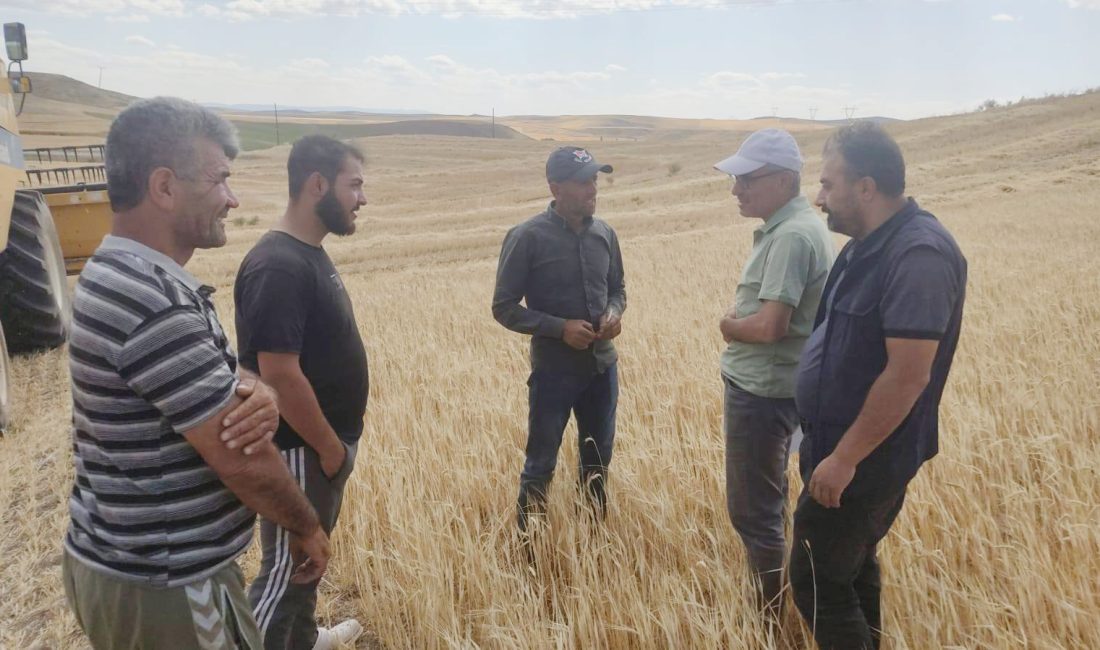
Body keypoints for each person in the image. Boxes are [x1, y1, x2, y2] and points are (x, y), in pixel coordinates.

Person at [63, 97, 329, 650]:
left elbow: (215, 380)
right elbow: (241, 458)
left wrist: (256, 389)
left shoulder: (124, 274)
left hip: (137, 568)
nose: (232, 199)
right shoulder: (151, 302)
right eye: (220, 180)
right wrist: (305, 526)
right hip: (169, 584)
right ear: (164, 187)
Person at [790, 122, 967, 649]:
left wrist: (845, 459)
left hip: (867, 459)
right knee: (848, 567)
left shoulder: (919, 255)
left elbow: (908, 374)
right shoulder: (864, 246)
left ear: (865, 187)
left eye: (828, 184)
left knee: (815, 579)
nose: (819, 198)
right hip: (837, 448)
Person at [234, 134, 369, 650]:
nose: (362, 198)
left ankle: (303, 640)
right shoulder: (279, 265)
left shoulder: (305, 253)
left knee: (310, 559)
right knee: (285, 571)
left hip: (317, 448)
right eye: (353, 185)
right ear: (318, 185)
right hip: (301, 448)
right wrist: (330, 449)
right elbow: (279, 374)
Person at [713, 129, 834, 616]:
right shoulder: (800, 227)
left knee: (754, 512)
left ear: (784, 180)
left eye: (746, 180)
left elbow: (769, 327)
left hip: (763, 392)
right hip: (785, 386)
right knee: (772, 502)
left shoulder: (790, 237)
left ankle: (769, 620)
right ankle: (786, 602)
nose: (736, 191)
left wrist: (728, 326)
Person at [492, 146, 626, 534]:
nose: (593, 189)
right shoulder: (526, 237)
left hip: (602, 369)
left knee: (598, 462)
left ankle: (595, 541)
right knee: (540, 466)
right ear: (556, 187)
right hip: (554, 374)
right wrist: (559, 328)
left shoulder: (605, 234)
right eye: (584, 182)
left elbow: (618, 288)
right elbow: (503, 307)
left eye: (595, 180)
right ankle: (529, 550)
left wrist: (615, 314)